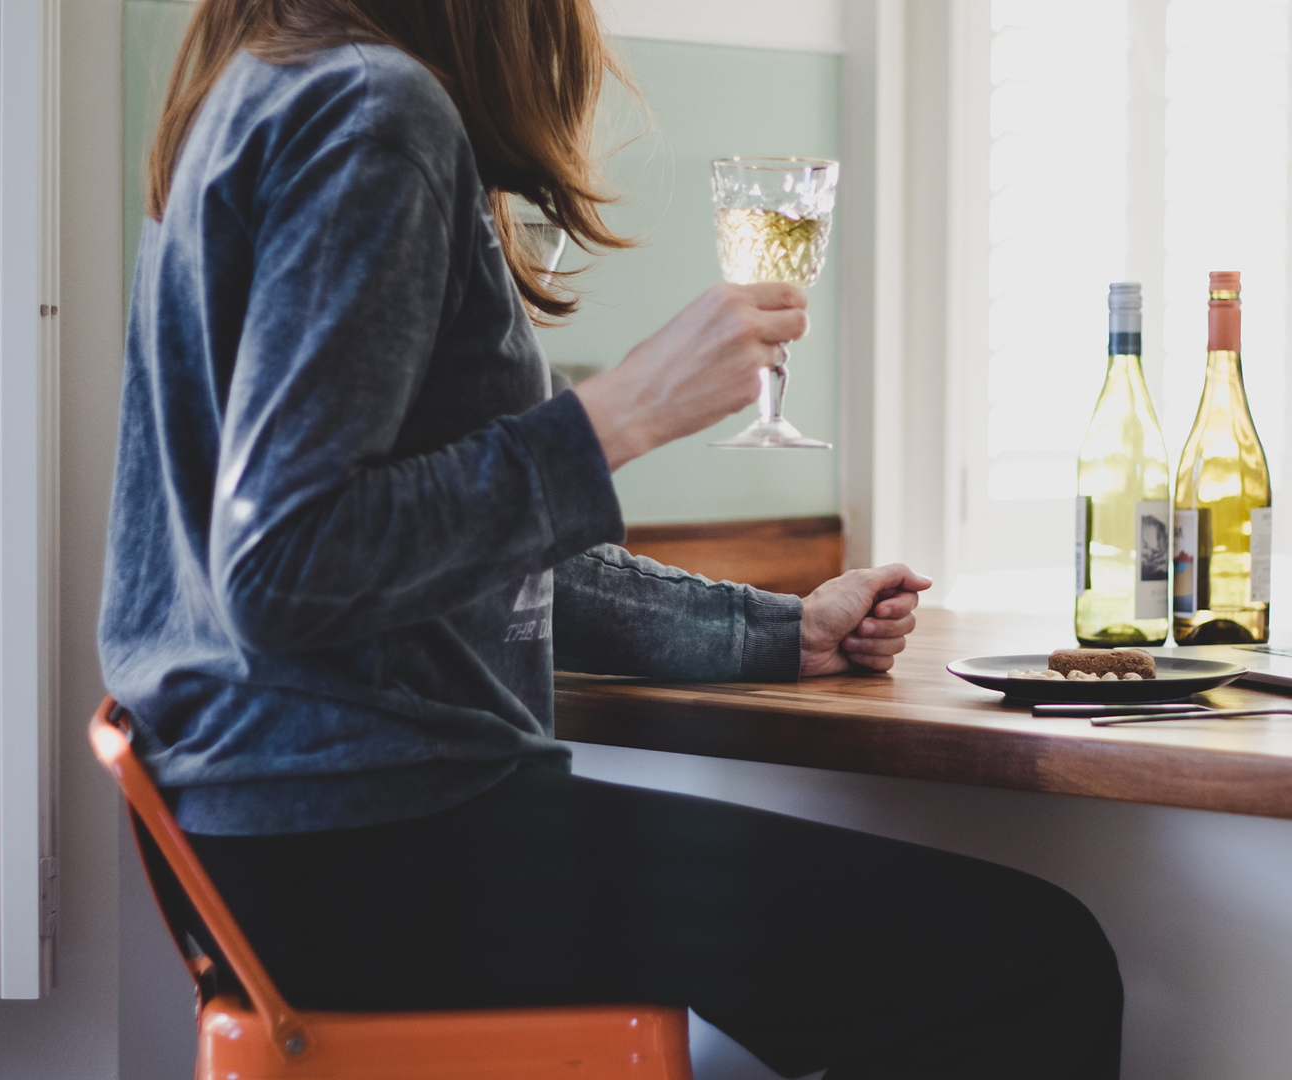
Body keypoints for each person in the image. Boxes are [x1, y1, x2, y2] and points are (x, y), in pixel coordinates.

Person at [99, 1, 1123, 1076]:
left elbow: (450, 568)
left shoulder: (266, 86)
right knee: (1027, 965)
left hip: (278, 846)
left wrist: (780, 632)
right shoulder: (372, 108)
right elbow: (288, 565)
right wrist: (620, 411)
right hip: (379, 839)